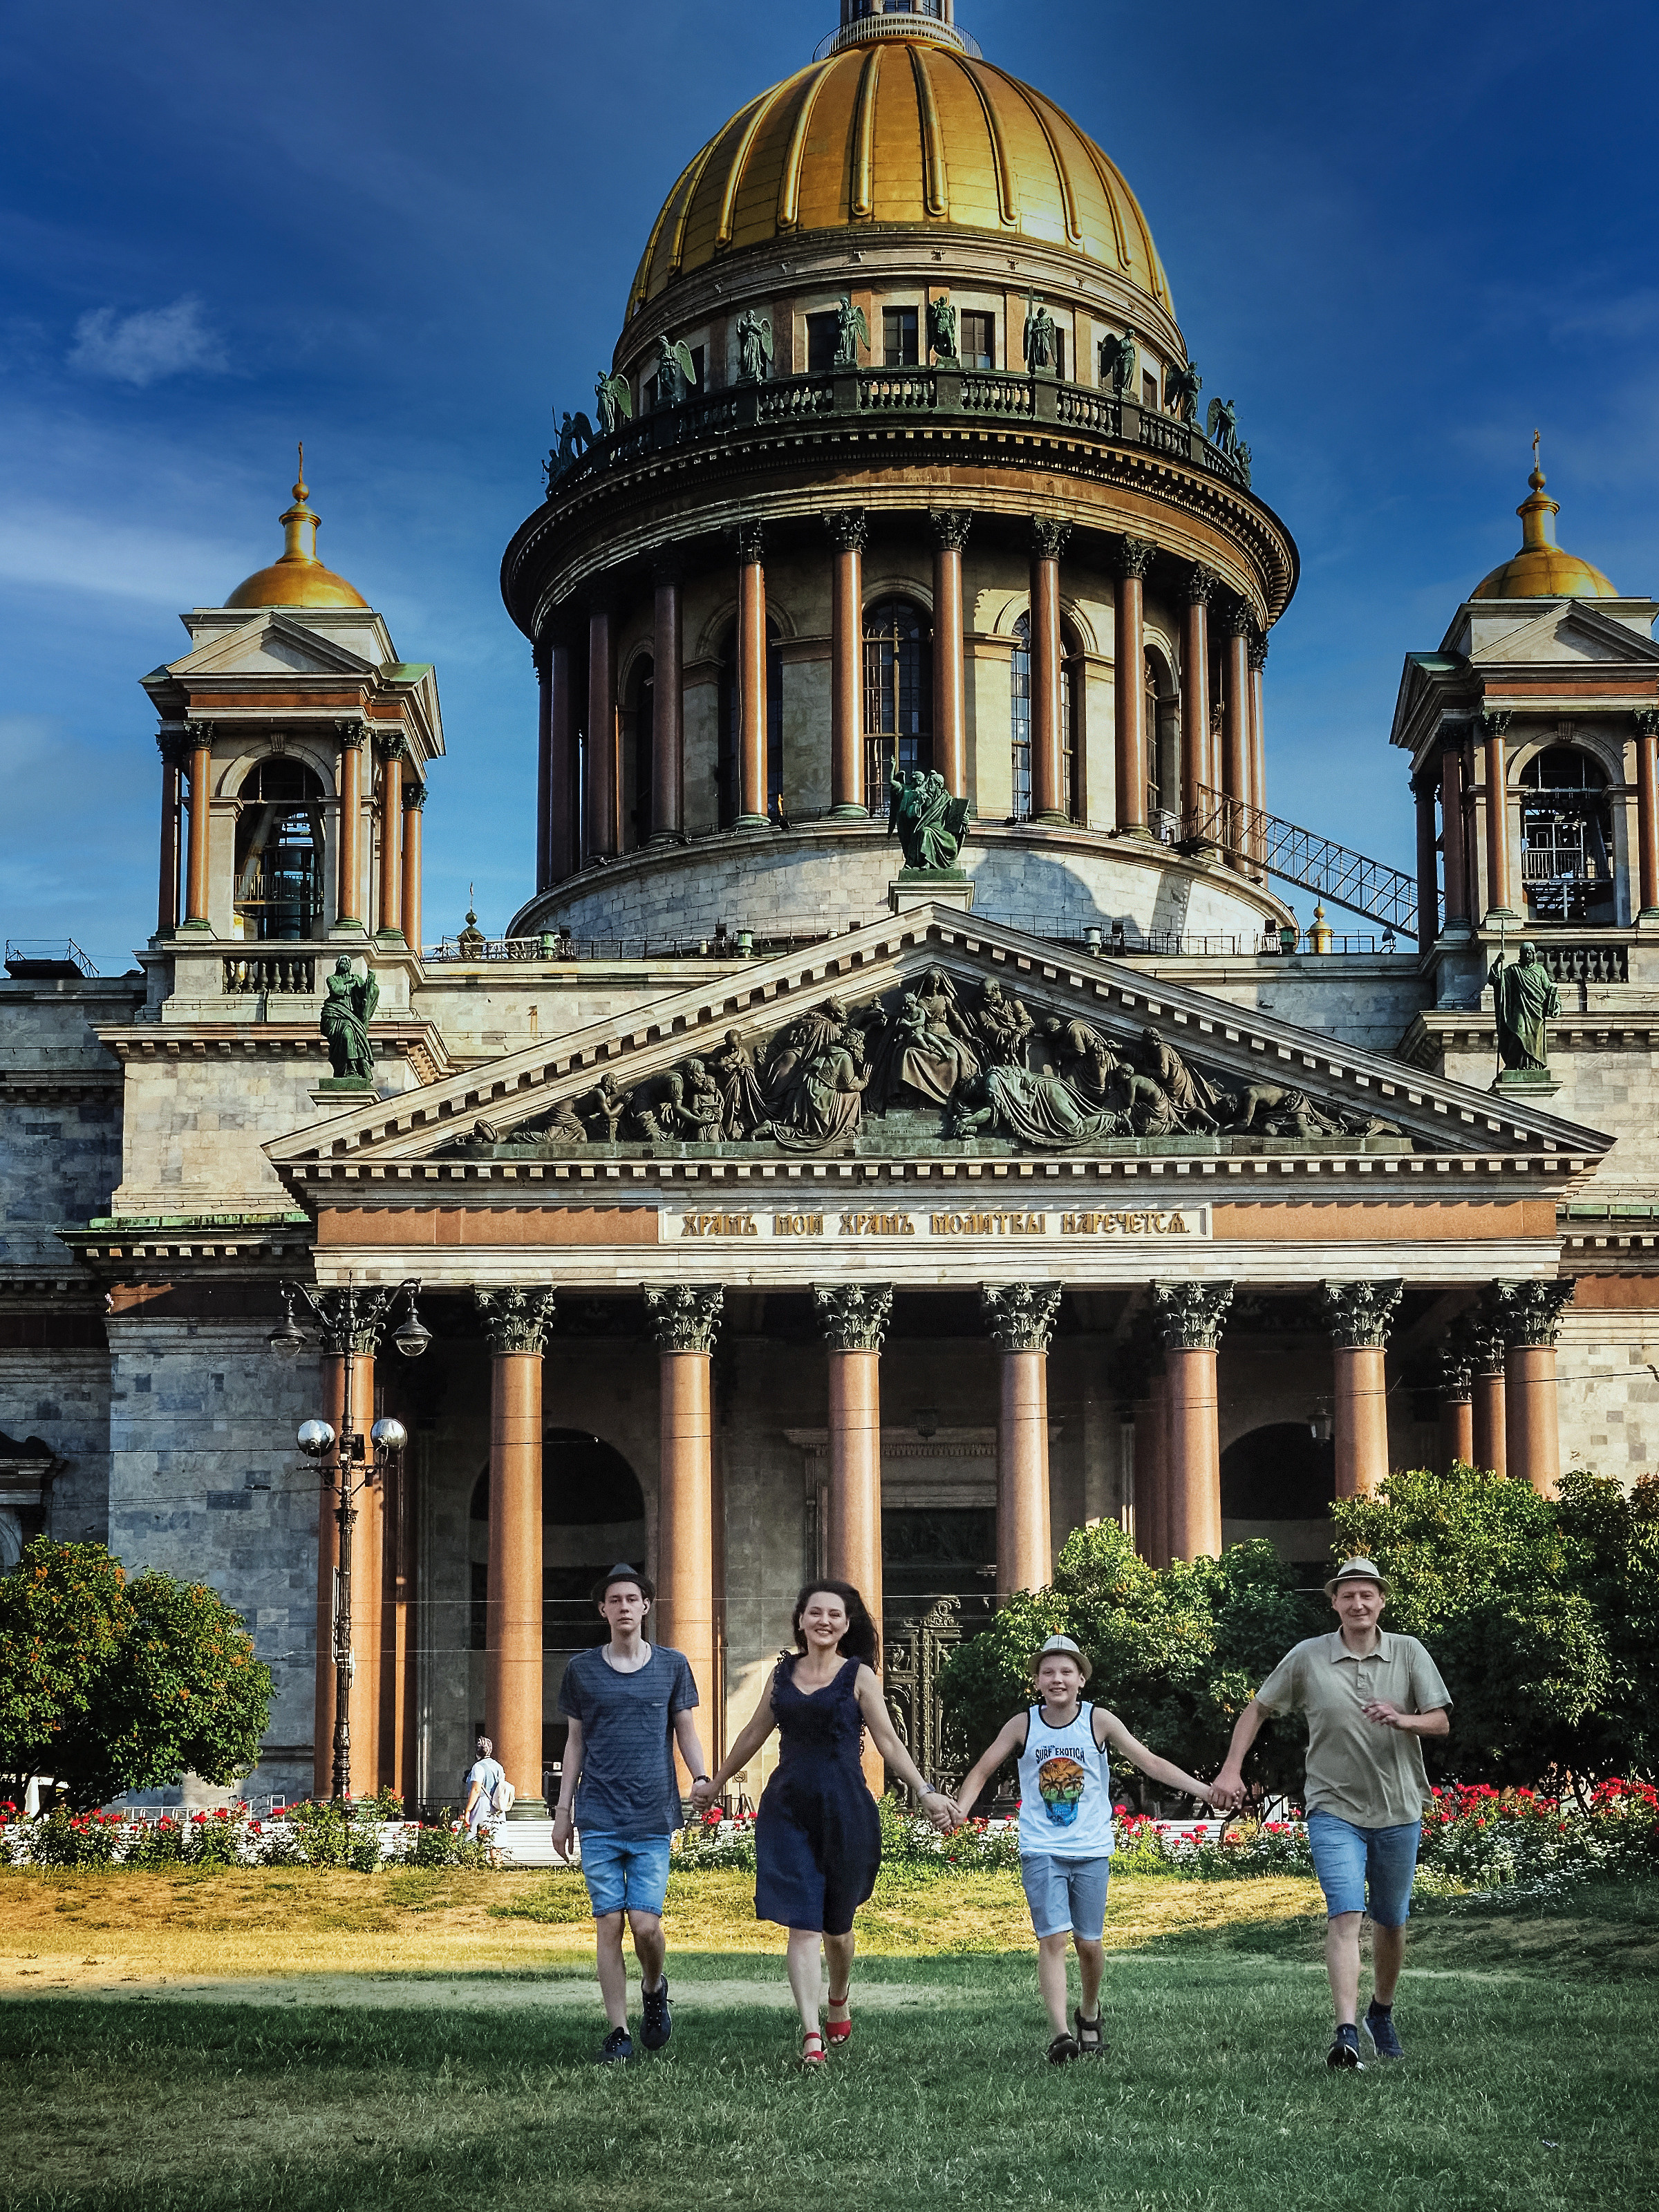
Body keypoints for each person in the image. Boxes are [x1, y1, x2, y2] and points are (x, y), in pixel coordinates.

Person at [691, 1582, 957, 2065]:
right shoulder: (782, 1673)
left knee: (838, 1927)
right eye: (815, 1613)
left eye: (835, 1615)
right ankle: (811, 2034)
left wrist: (925, 1791)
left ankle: (838, 1995)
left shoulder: (860, 1677)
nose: (825, 1621)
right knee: (803, 1923)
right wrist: (717, 1781)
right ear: (801, 1620)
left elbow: (890, 1743)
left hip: (846, 1808)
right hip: (788, 1808)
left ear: (846, 1624)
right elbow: (754, 1732)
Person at [1210, 1557, 1452, 2068]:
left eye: (1367, 1595)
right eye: (1348, 1596)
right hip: (1332, 1808)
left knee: (1391, 1921)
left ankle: (1379, 2012)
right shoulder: (1308, 1656)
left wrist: (1403, 1719)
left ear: (1382, 1600)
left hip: (1399, 1807)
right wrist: (1231, 1769)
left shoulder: (1409, 1653)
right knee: (1345, 1912)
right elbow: (1257, 1708)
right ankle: (1346, 2032)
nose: (1358, 1604)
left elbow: (1440, 1722)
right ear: (1335, 1603)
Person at [951, 1634, 1220, 2065]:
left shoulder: (1099, 1721)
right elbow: (983, 1768)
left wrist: (1206, 1790)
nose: (1057, 1679)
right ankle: (1060, 2034)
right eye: (1048, 1672)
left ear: (1081, 1679)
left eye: (1066, 1671)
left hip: (1092, 1849)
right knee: (1052, 1938)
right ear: (1036, 1680)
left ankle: (1089, 2013)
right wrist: (960, 1810)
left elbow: (1150, 1763)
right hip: (1041, 1847)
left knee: (1089, 1943)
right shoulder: (1023, 1724)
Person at [552, 1564, 711, 2065]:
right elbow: (574, 1743)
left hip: (652, 1816)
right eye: (614, 1600)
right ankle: (618, 2033)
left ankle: (654, 1986)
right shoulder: (581, 1670)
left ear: (646, 1607)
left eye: (632, 1599)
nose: (623, 1607)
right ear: (603, 1610)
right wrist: (563, 1810)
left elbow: (684, 1728)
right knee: (608, 1926)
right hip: (598, 1815)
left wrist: (701, 1777)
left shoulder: (671, 1665)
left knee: (645, 1925)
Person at [460, 1734, 510, 1862]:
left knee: (473, 1833)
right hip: (497, 1804)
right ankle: (497, 1864)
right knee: (495, 1836)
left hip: (482, 1804)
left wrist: (468, 1810)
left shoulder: (478, 1767)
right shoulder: (498, 1766)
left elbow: (476, 1789)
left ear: (477, 1752)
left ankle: (471, 1863)